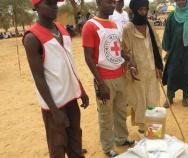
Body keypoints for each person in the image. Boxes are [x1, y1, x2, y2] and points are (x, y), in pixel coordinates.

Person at [22, 0, 89, 158]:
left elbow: (69, 65)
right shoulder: (32, 38)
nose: (54, 7)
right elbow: (38, 77)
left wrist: (81, 91)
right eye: (49, 3)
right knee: (57, 148)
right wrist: (54, 111)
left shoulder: (61, 29)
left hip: (71, 99)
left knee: (76, 145)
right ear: (36, 7)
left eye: (55, 3)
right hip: (54, 105)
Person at [82, 0, 134, 157]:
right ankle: (108, 147)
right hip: (104, 79)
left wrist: (128, 58)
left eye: (114, 2)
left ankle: (121, 138)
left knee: (121, 110)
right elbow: (88, 58)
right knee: (105, 115)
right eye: (109, 1)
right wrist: (100, 83)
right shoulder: (90, 26)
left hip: (119, 75)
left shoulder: (114, 24)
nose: (112, 5)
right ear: (98, 2)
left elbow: (117, 50)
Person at [122, 0, 163, 135]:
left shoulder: (150, 24)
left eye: (145, 9)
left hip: (152, 71)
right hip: (137, 74)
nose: (143, 12)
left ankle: (153, 131)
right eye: (140, 10)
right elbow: (125, 50)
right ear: (134, 11)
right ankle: (141, 130)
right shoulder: (128, 28)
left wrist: (158, 65)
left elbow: (157, 45)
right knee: (140, 102)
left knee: (153, 101)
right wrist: (131, 67)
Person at [162, 0, 188, 107]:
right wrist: (168, 50)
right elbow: (167, 34)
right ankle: (169, 96)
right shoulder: (172, 17)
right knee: (172, 73)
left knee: (187, 74)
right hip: (174, 51)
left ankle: (186, 97)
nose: (181, 2)